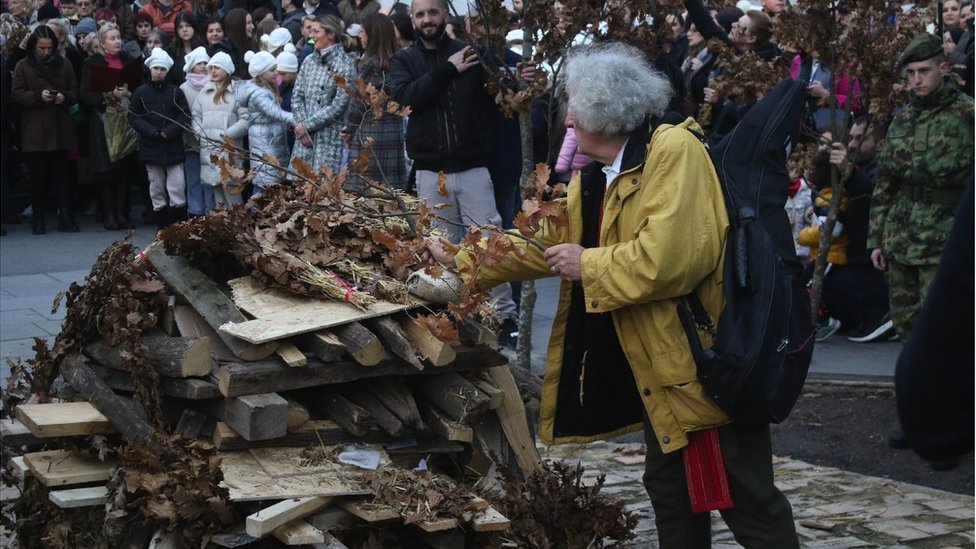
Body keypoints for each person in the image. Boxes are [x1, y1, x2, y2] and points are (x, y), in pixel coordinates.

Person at [425, 42, 798, 548]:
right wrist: (462, 259)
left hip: (704, 364)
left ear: (601, 111)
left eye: (574, 105)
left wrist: (588, 263)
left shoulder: (673, 152)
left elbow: (669, 261)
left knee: (744, 496)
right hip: (660, 366)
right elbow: (543, 241)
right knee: (672, 493)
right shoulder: (598, 174)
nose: (568, 117)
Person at [867, 33, 974, 451]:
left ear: (943, 69)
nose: (916, 81)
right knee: (910, 333)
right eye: (910, 74)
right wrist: (876, 236)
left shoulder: (968, 116)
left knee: (948, 334)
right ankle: (918, 420)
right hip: (901, 236)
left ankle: (958, 419)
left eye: (924, 71)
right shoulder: (904, 117)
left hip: (947, 241)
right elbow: (886, 181)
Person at [387, 0, 518, 343]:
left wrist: (520, 79)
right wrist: (447, 69)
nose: (427, 20)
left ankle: (503, 319)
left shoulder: (470, 54)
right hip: (431, 170)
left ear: (444, 15)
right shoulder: (404, 60)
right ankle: (454, 313)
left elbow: (502, 90)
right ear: (413, 20)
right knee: (439, 247)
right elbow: (404, 99)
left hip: (474, 165)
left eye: (433, 13)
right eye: (420, 14)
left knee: (490, 243)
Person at [895, 182, 973, 471]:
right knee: (907, 321)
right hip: (903, 232)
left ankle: (951, 429)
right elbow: (889, 183)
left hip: (941, 231)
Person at [12, 24, 80, 234]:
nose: (45, 52)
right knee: (37, 178)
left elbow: (75, 91)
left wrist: (64, 97)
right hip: (35, 129)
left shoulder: (65, 63)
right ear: (34, 46)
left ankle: (65, 216)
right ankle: (38, 218)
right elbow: (16, 94)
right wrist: (37, 96)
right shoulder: (23, 65)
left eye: (48, 48)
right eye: (41, 48)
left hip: (60, 126)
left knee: (62, 177)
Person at [80, 21, 139, 230]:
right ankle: (109, 213)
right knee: (107, 170)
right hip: (103, 122)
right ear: (103, 43)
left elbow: (138, 87)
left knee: (124, 168)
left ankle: (123, 212)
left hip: (125, 119)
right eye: (112, 38)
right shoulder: (92, 63)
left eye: (118, 37)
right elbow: (85, 95)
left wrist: (129, 93)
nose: (117, 41)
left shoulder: (128, 60)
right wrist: (108, 96)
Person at [342, 12, 405, 190]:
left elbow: (358, 102)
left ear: (373, 35)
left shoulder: (371, 64)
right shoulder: (399, 62)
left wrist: (349, 128)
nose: (360, 36)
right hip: (393, 134)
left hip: (369, 135)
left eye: (363, 32)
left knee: (366, 196)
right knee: (390, 197)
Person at [128, 47, 189, 227]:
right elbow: (133, 116)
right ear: (150, 69)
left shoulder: (175, 92)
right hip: (151, 146)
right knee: (156, 187)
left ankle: (177, 223)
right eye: (156, 68)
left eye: (162, 69)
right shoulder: (141, 92)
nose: (159, 72)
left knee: (177, 185)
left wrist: (169, 131)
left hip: (173, 145)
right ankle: (161, 225)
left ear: (167, 71)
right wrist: (152, 131)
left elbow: (184, 115)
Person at [289, 14, 356, 174]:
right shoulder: (308, 61)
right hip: (303, 141)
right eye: (310, 31)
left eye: (316, 32)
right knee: (299, 192)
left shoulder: (345, 65)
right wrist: (300, 127)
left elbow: (339, 105)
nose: (311, 36)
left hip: (328, 140)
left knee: (325, 191)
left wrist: (308, 126)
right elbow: (297, 96)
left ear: (330, 34)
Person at [192, 50, 249, 210]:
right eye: (212, 67)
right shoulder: (205, 91)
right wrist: (200, 133)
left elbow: (246, 119)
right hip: (209, 149)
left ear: (227, 69)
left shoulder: (237, 91)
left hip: (229, 149)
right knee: (217, 192)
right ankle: (223, 227)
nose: (213, 71)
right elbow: (195, 114)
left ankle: (239, 229)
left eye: (218, 67)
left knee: (232, 192)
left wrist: (227, 135)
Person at [237, 50, 294, 194]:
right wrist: (297, 119)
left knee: (273, 181)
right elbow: (274, 112)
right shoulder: (258, 94)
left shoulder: (266, 88)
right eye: (272, 70)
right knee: (265, 181)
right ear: (261, 72)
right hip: (264, 140)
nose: (276, 72)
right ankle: (255, 213)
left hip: (271, 138)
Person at [179, 45, 208, 216]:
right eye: (199, 63)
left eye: (205, 62)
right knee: (193, 177)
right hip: (191, 140)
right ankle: (196, 210)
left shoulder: (213, 84)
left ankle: (210, 209)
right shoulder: (184, 88)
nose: (203, 66)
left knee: (209, 178)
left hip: (210, 139)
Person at [165, 10, 202, 84]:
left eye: (188, 26)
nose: (184, 30)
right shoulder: (170, 52)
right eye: (180, 27)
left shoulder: (203, 49)